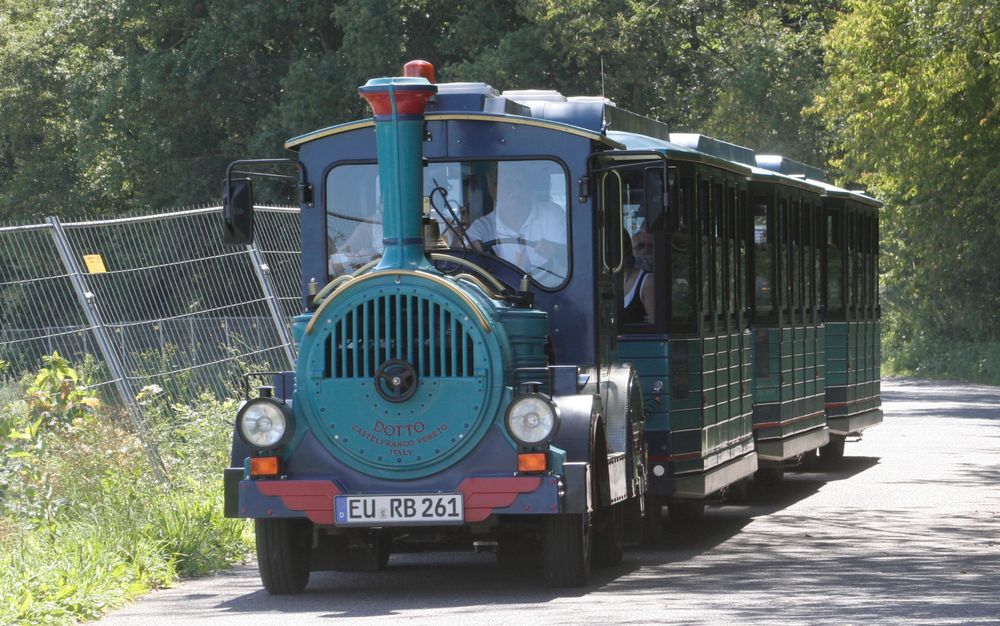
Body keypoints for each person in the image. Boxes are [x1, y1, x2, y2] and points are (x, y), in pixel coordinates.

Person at [466, 162, 567, 286]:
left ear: (529, 187)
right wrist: (472, 247)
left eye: (521, 183)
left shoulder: (551, 214)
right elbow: (464, 248)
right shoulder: (483, 226)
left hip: (555, 292)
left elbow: (572, 256)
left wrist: (555, 249)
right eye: (508, 184)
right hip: (505, 294)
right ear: (493, 191)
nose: (516, 190)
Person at [622, 231, 654, 324]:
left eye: (651, 246)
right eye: (641, 246)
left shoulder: (647, 281)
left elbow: (656, 329)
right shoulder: (605, 281)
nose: (646, 250)